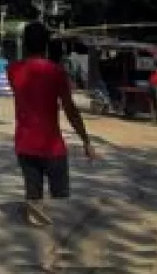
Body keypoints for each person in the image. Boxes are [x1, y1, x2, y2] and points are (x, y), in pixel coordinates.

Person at [8, 21, 95, 227]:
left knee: (34, 202)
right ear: (46, 44)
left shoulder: (13, 70)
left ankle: (37, 244)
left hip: (25, 145)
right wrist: (86, 140)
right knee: (61, 202)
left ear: (24, 44)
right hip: (52, 146)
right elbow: (70, 110)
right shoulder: (56, 72)